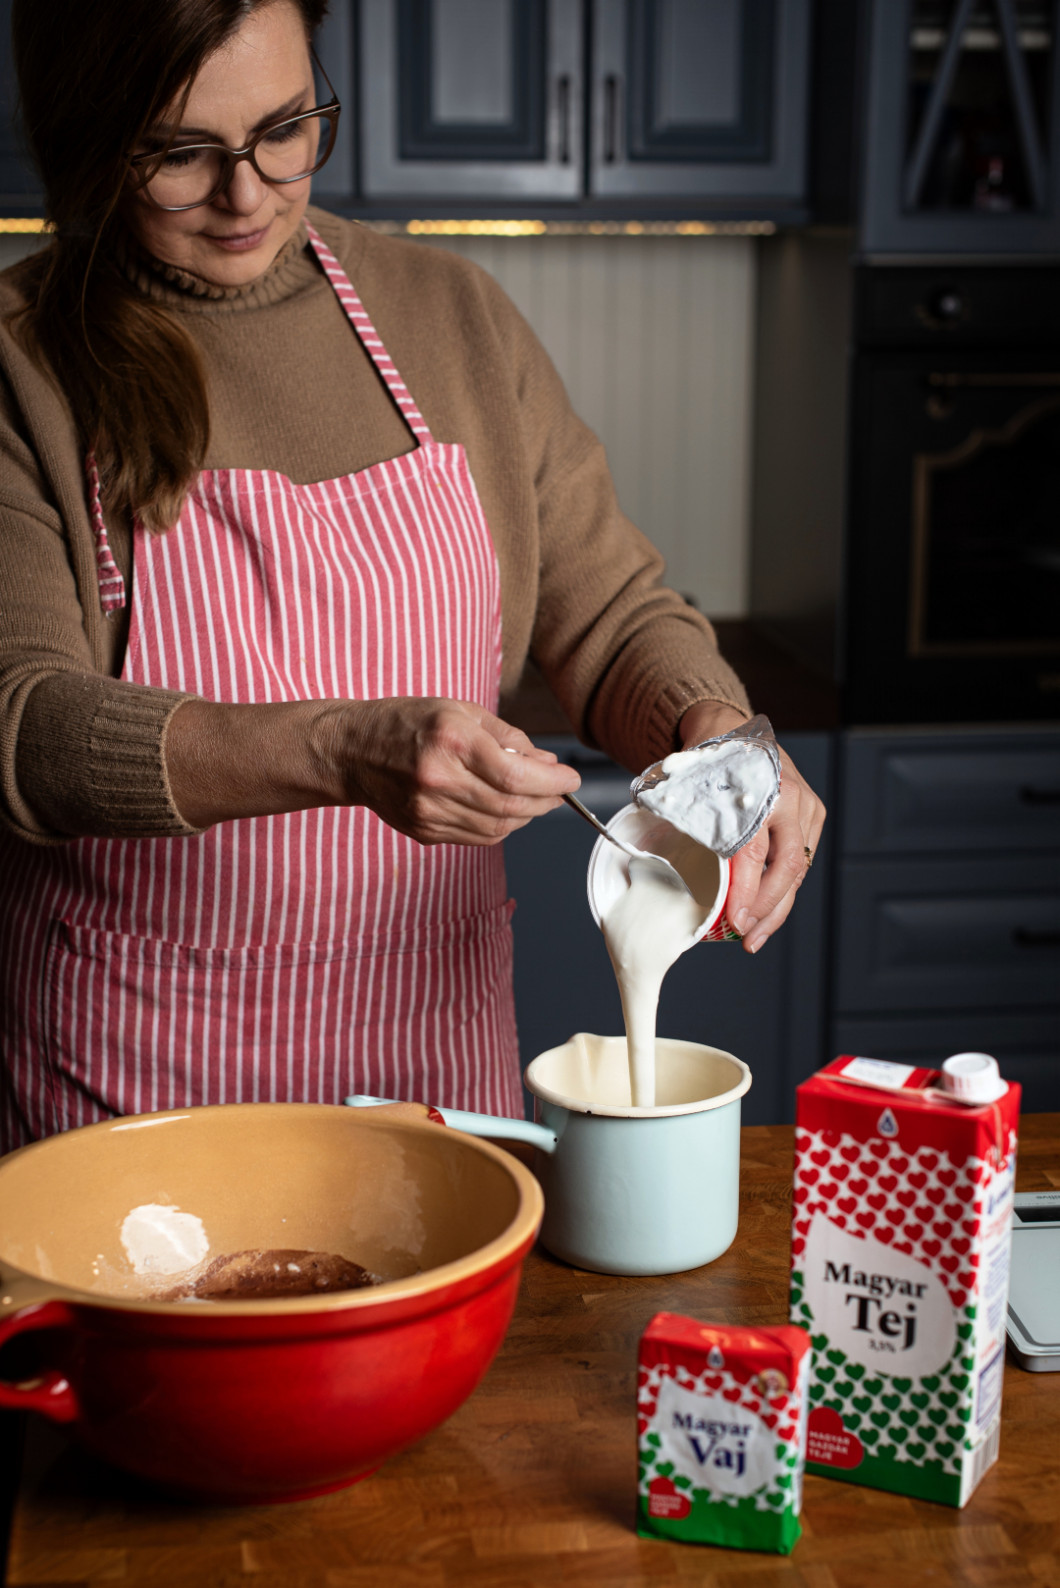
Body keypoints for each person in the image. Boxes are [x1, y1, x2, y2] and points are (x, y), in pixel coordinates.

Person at [0, 0, 825, 1153]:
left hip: (430, 1067)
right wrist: (343, 752)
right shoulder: (23, 358)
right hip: (139, 1082)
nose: (248, 193)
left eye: (286, 127)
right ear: (92, 139)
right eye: (181, 153)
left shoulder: (452, 318)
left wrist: (722, 746)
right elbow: (27, 724)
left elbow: (614, 612)